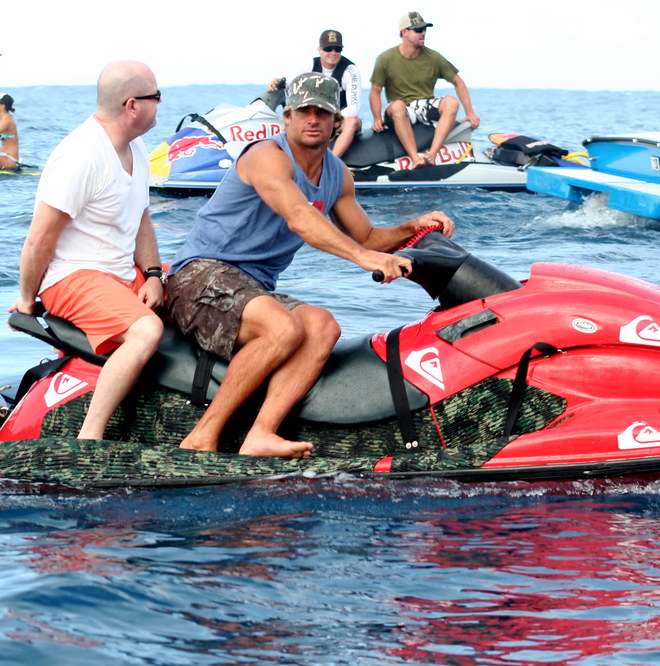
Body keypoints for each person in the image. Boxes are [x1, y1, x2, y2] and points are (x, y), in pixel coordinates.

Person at [165, 72, 454, 459]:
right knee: (281, 327)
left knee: (322, 326)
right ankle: (202, 436)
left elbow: (366, 237)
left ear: (338, 122)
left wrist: (411, 227)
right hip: (198, 274)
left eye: (323, 112)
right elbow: (298, 216)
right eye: (304, 111)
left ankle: (260, 435)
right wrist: (367, 259)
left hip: (251, 287)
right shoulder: (266, 155)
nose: (313, 119)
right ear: (287, 117)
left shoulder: (337, 174)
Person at [8, 60, 165, 440]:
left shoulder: (137, 147)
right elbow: (39, 239)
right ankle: (89, 437)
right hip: (72, 276)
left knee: (197, 286)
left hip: (121, 273)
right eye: (156, 96)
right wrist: (28, 300)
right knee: (147, 331)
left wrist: (155, 275)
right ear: (132, 105)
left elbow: (140, 218)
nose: (161, 103)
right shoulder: (80, 155)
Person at [369, 11, 480, 168]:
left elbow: (459, 83)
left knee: (451, 102)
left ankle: (432, 154)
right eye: (418, 30)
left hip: (423, 107)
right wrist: (377, 118)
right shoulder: (385, 58)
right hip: (399, 109)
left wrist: (470, 113)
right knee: (397, 106)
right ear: (404, 32)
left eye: (424, 29)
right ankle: (415, 158)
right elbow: (375, 91)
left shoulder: (433, 57)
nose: (423, 33)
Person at [270, 29, 363, 158]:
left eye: (337, 49)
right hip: (316, 117)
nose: (333, 53)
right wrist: (277, 83)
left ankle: (332, 161)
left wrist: (329, 118)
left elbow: (354, 108)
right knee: (289, 122)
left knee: (353, 122)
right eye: (328, 48)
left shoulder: (350, 70)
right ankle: (283, 158)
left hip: (339, 120)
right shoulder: (310, 64)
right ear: (319, 50)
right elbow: (288, 82)